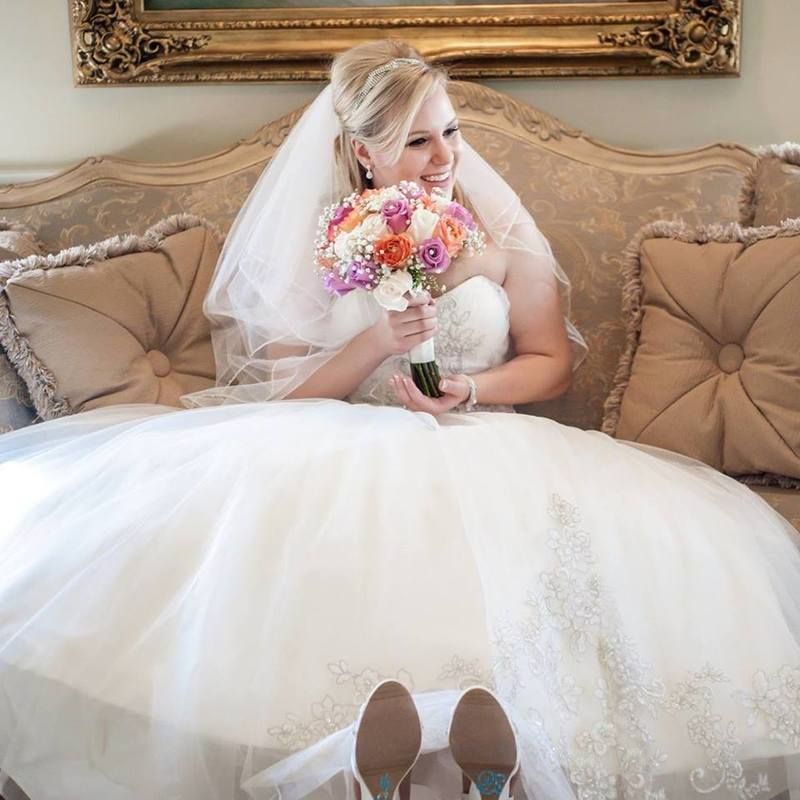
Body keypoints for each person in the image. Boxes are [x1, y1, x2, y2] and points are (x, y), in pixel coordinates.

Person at [0, 38, 798, 800]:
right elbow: (287, 391)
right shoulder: (326, 238)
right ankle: (366, 766)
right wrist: (381, 338)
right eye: (418, 143)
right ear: (364, 154)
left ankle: (487, 763)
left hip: (480, 436)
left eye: (450, 131)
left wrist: (473, 390)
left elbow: (551, 359)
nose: (446, 159)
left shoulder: (499, 227)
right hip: (336, 438)